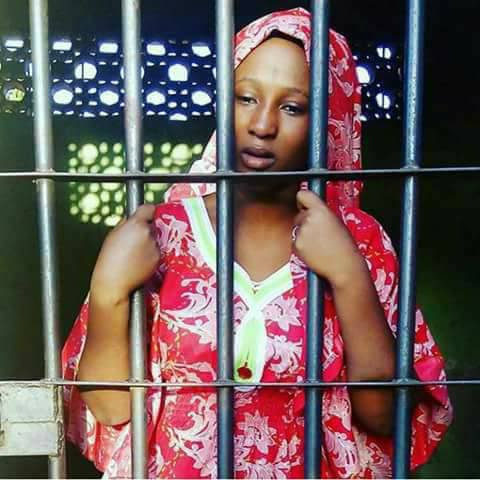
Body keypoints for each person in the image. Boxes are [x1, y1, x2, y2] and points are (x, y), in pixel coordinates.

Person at [62, 7, 453, 479]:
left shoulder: (360, 241)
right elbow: (110, 408)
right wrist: (108, 288)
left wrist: (348, 276)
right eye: (245, 98)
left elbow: (384, 418)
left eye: (292, 107)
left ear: (328, 118)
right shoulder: (161, 234)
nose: (262, 125)